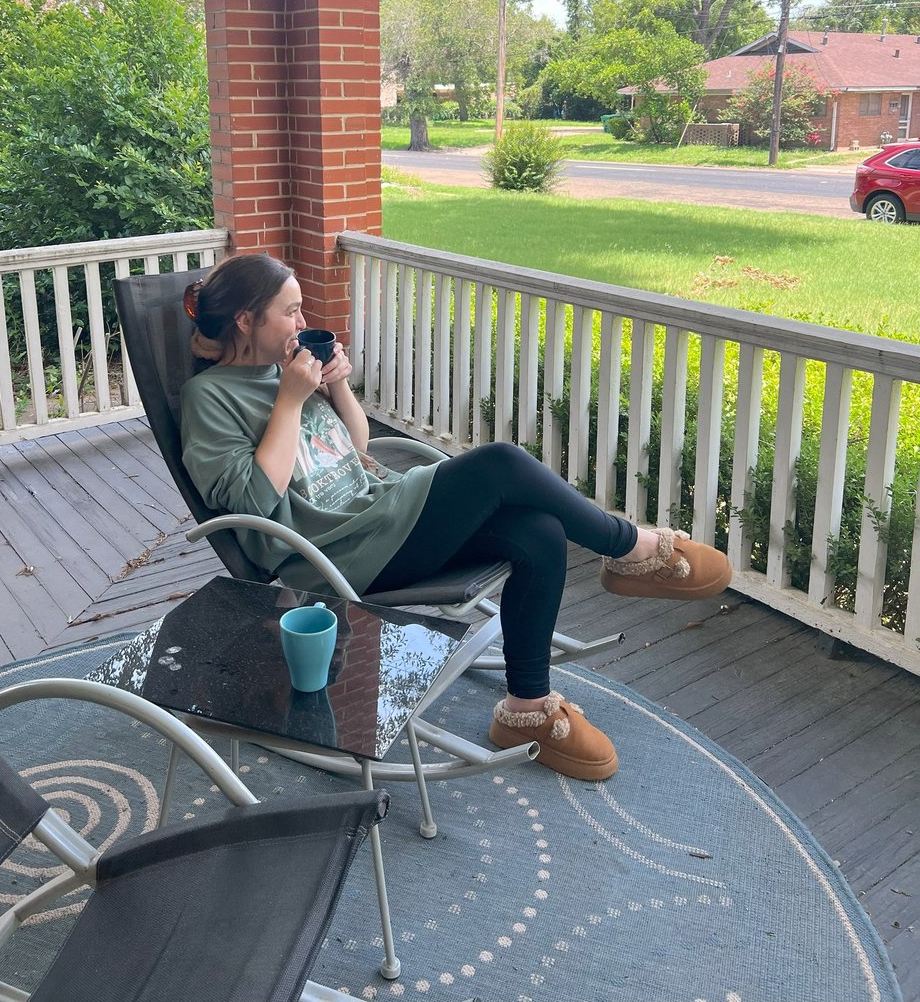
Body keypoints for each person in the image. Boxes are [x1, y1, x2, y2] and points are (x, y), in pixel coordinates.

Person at [180, 253, 733, 782]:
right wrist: (292, 401)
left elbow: (350, 448)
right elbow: (250, 502)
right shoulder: (210, 399)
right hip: (338, 552)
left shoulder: (288, 373)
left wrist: (336, 386)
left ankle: (527, 708)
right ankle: (632, 549)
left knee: (537, 531)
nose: (303, 322)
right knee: (500, 464)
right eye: (291, 311)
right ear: (247, 320)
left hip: (378, 511)